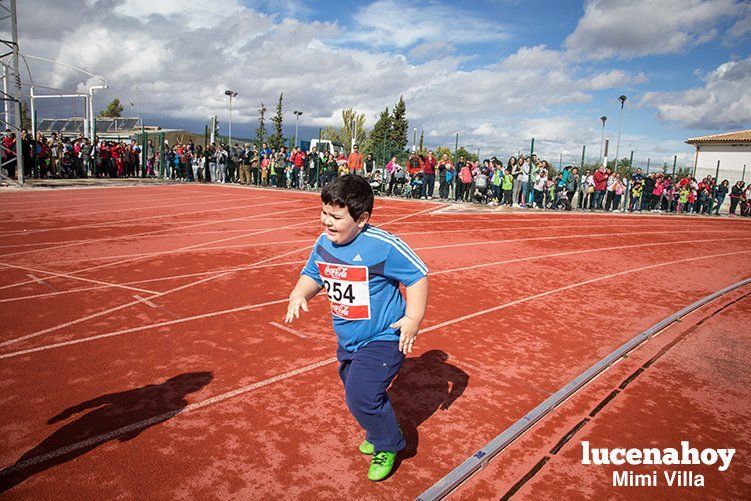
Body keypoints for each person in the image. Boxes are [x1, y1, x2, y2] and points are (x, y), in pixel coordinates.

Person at [285, 175, 429, 482]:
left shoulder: (382, 247)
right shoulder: (324, 243)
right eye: (324, 213)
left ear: (361, 219)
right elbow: (314, 273)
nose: (327, 222)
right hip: (348, 338)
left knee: (361, 395)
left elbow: (417, 275)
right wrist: (300, 293)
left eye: (336, 217)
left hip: (384, 336)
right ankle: (380, 430)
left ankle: (389, 443)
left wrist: (412, 319)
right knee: (356, 389)